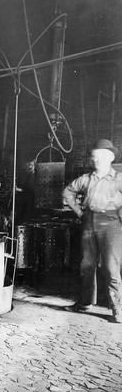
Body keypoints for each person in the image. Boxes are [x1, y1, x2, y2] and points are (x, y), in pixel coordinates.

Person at [62, 138, 122, 322]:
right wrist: (80, 212)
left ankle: (117, 309)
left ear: (110, 157)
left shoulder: (119, 179)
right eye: (94, 157)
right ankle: (85, 302)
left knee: (111, 268)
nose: (95, 160)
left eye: (99, 157)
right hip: (89, 222)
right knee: (86, 265)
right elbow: (67, 192)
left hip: (111, 223)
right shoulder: (86, 179)